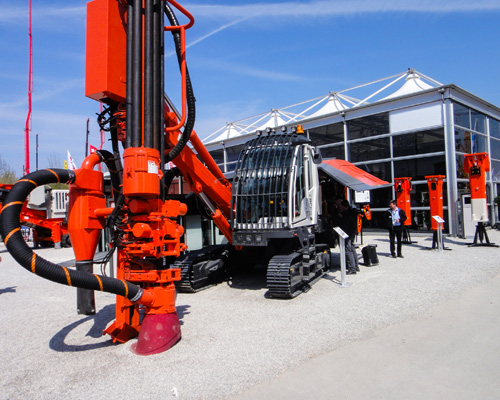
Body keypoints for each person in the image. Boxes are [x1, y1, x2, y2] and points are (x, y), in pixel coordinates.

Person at [337, 199, 359, 275]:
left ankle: (352, 268)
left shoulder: (347, 213)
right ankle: (356, 265)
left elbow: (346, 223)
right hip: (352, 233)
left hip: (347, 233)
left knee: (348, 250)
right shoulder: (352, 211)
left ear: (343, 206)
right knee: (352, 248)